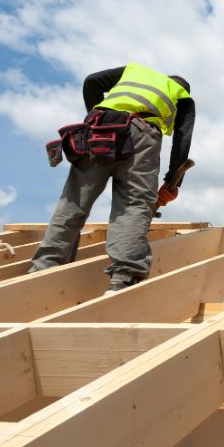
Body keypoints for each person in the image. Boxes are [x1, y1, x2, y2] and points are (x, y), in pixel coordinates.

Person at [28, 61, 195, 293]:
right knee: (133, 205)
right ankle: (125, 276)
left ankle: (43, 269)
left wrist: (93, 116)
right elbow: (182, 140)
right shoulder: (182, 95)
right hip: (141, 135)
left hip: (100, 129)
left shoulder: (135, 70)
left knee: (73, 201)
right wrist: (172, 183)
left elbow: (92, 81)